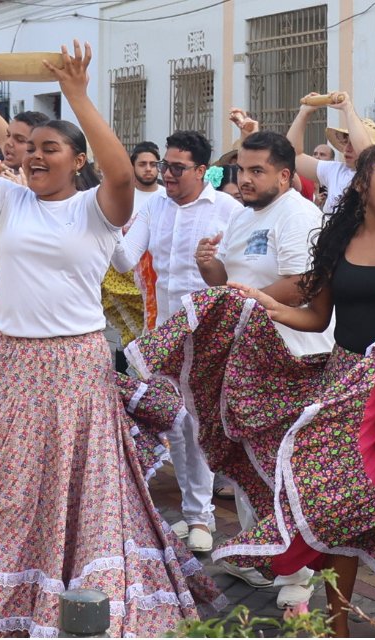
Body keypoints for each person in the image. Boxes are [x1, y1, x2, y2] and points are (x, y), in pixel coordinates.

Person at [0, 42, 216, 637]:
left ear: (76, 158)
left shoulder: (97, 206)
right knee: (1, 479)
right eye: (29, 149)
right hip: (9, 357)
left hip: (74, 360)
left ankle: (77, 590)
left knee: (72, 479)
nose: (34, 157)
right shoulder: (7, 199)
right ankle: (4, 589)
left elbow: (119, 172)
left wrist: (80, 95)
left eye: (49, 149)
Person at [197, 142, 375, 635]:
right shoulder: (336, 240)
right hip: (342, 384)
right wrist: (268, 305)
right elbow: (318, 316)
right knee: (338, 508)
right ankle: (337, 625)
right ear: (361, 182)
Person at [189, 130, 329, 606]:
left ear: (285, 175)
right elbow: (230, 281)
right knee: (248, 459)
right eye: (240, 171)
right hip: (246, 353)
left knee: (283, 466)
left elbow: (303, 283)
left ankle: (297, 572)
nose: (244, 180)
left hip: (290, 355)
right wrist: (210, 266)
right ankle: (260, 556)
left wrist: (250, 303)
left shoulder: (299, 215)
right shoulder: (243, 215)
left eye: (256, 171)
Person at [112, 130, 234, 552]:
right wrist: (105, 222)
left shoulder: (227, 210)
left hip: (211, 336)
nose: (166, 175)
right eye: (165, 166)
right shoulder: (154, 209)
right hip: (164, 334)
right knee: (176, 424)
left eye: (177, 168)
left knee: (196, 423)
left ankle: (201, 516)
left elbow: (237, 273)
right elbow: (126, 258)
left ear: (202, 171)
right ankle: (193, 512)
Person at [287, 91, 375, 215]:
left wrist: (348, 108)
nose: (347, 148)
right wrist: (303, 113)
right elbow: (293, 156)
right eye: (346, 142)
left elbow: (366, 156)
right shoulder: (335, 170)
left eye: (353, 143)